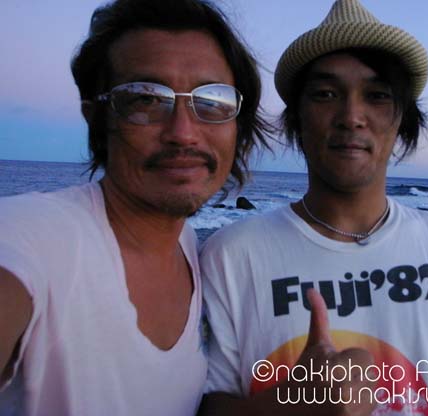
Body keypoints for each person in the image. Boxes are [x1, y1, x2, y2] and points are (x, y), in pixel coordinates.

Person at [199, 0, 428, 415]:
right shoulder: (231, 254)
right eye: (325, 94)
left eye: (377, 95)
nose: (351, 116)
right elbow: (209, 404)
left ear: (402, 120)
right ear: (297, 119)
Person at [0, 0, 269, 415]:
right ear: (97, 120)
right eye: (145, 99)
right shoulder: (33, 237)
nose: (184, 133)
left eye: (212, 100)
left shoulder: (191, 250)